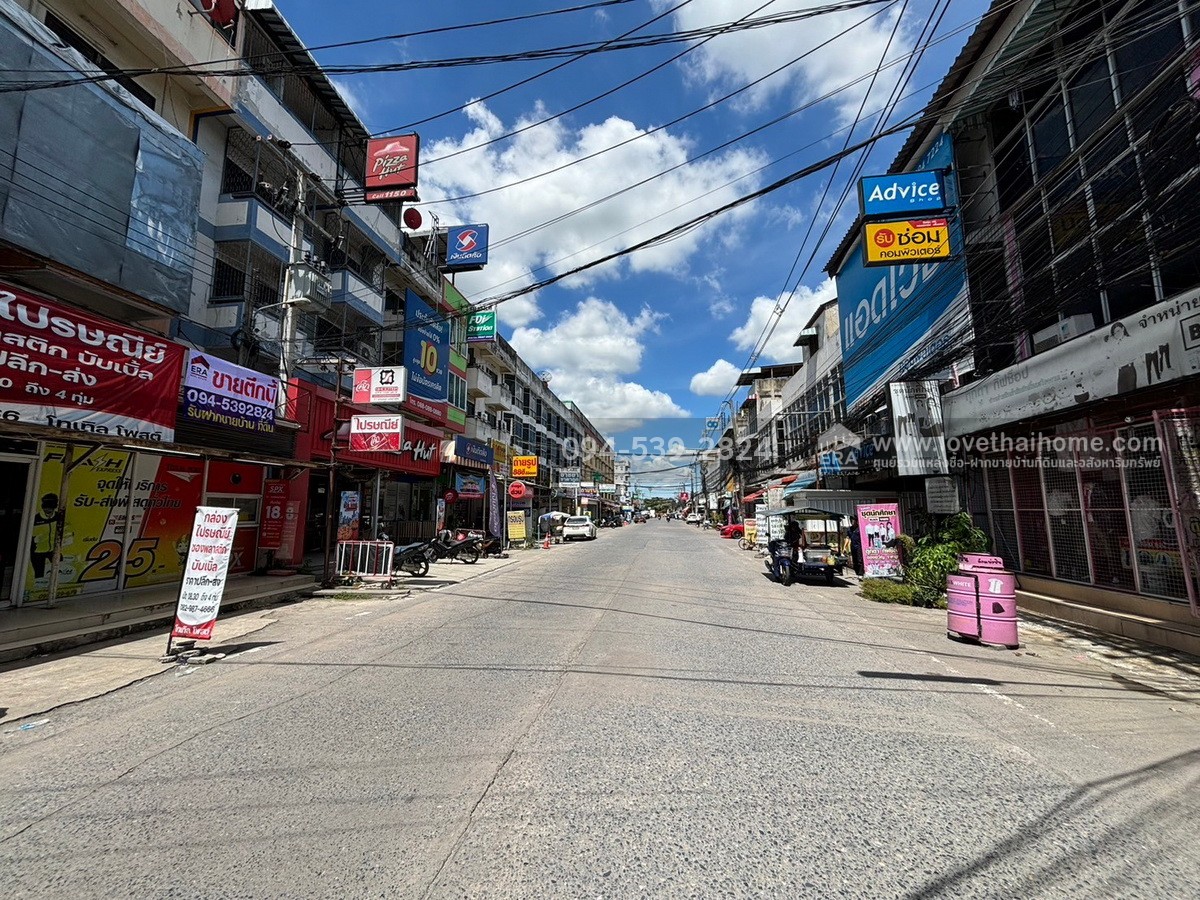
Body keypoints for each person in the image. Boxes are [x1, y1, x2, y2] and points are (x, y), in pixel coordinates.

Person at [30, 493, 62, 580]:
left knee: (61, 569)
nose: (48, 510)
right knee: (39, 574)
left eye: (50, 508)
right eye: (46, 507)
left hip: (53, 549)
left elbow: (67, 530)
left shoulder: (59, 517)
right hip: (38, 551)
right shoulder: (35, 519)